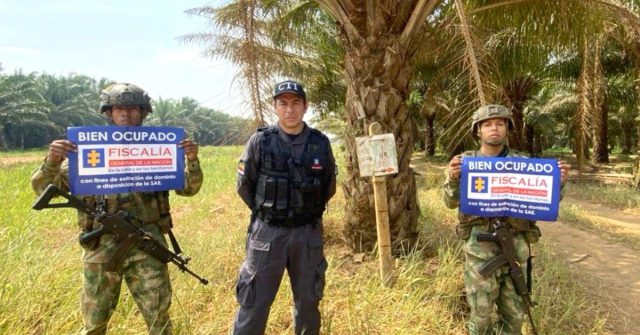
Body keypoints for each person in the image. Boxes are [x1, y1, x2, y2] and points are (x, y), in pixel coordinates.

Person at [31, 83, 203, 335]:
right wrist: (53, 161)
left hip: (147, 244)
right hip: (100, 246)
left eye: (133, 108)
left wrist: (191, 160)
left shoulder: (161, 152)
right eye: (119, 108)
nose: (125, 114)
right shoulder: (87, 153)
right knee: (94, 323)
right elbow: (42, 188)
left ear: (143, 113)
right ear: (109, 113)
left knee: (159, 320)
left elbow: (189, 188)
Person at [443, 104, 570, 335]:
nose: (494, 128)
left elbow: (543, 201)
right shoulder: (465, 163)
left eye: (500, 124)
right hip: (479, 251)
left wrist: (557, 182)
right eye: (488, 124)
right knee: (480, 319)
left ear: (507, 129)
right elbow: (450, 202)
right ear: (478, 131)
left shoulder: (524, 162)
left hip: (516, 248)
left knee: (514, 317)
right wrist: (453, 179)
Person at [233, 80, 336, 335]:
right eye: (283, 103)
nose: (289, 110)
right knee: (254, 301)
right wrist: (271, 211)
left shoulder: (320, 143)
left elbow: (328, 187)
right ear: (275, 107)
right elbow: (245, 186)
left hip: (306, 234)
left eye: (295, 103)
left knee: (309, 301)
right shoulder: (260, 142)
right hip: (268, 234)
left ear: (305, 106)